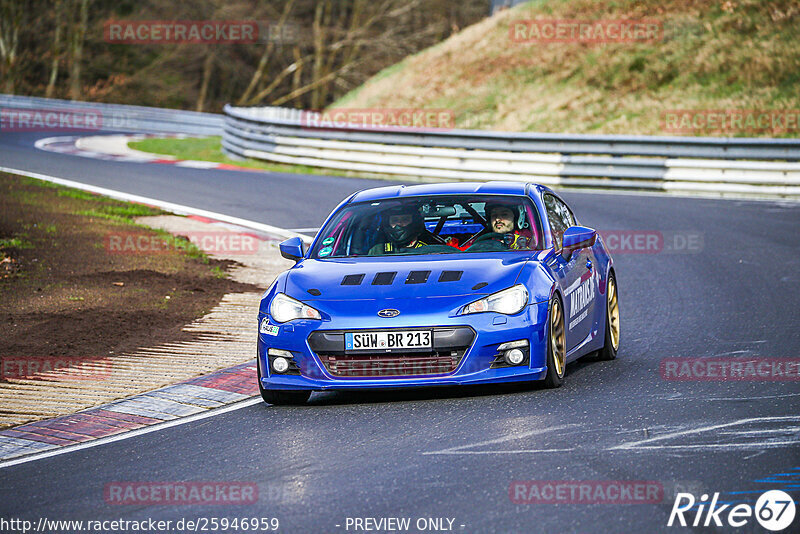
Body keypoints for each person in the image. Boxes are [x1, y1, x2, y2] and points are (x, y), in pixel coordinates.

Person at [368, 205, 433, 255]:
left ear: (414, 223)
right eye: (394, 220)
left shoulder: (429, 249)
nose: (399, 224)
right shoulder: (378, 250)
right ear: (388, 223)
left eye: (405, 220)